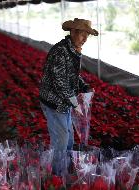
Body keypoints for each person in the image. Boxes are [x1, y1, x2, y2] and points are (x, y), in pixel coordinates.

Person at [39, 18, 98, 151]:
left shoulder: (72, 50)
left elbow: (72, 76)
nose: (85, 39)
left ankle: (66, 165)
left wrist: (84, 86)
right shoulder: (61, 51)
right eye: (83, 34)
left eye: (87, 35)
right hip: (53, 102)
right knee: (61, 139)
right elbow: (60, 82)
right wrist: (75, 102)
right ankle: (57, 170)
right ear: (72, 32)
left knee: (69, 136)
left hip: (64, 102)